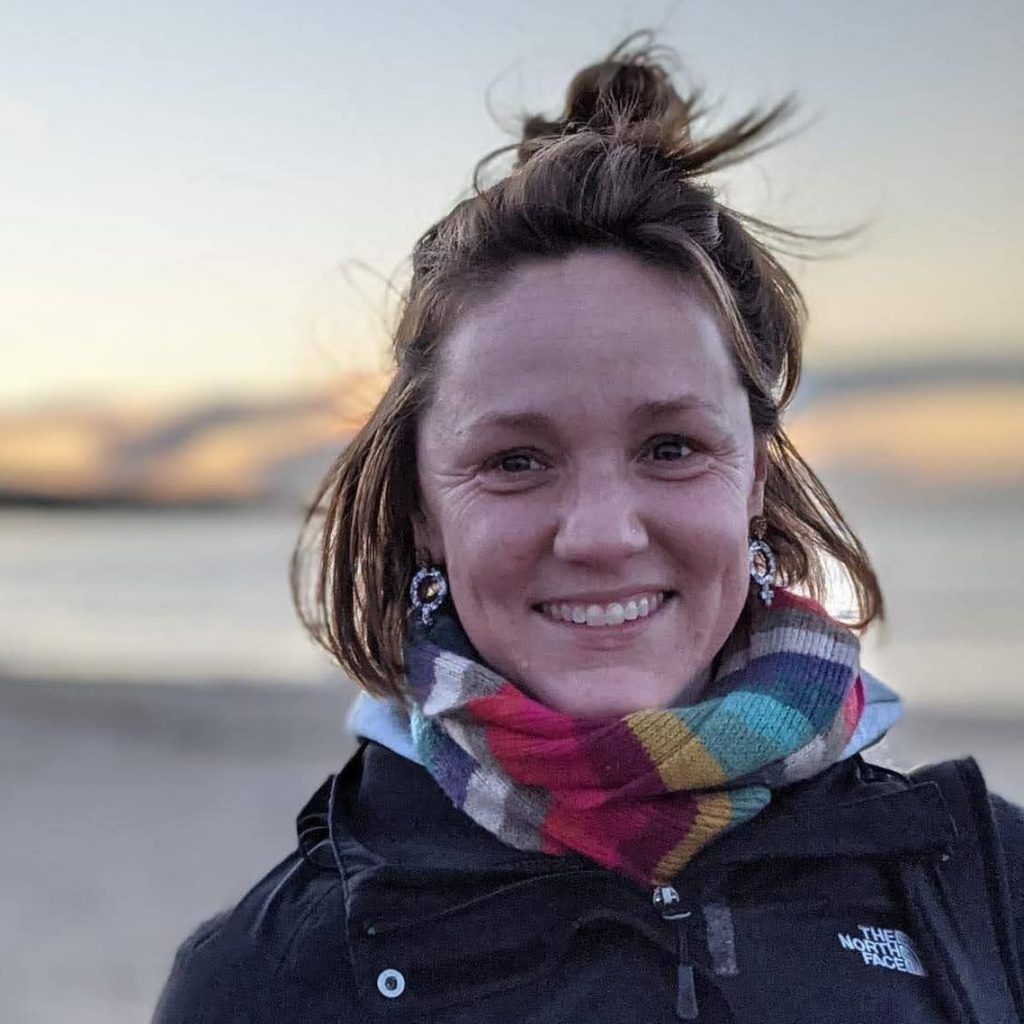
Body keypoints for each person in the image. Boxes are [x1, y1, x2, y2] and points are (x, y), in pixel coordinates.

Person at [153, 34, 1024, 1023]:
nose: (602, 535)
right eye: (515, 460)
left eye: (670, 446)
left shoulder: (988, 884)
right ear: (425, 511)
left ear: (754, 479)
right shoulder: (263, 981)